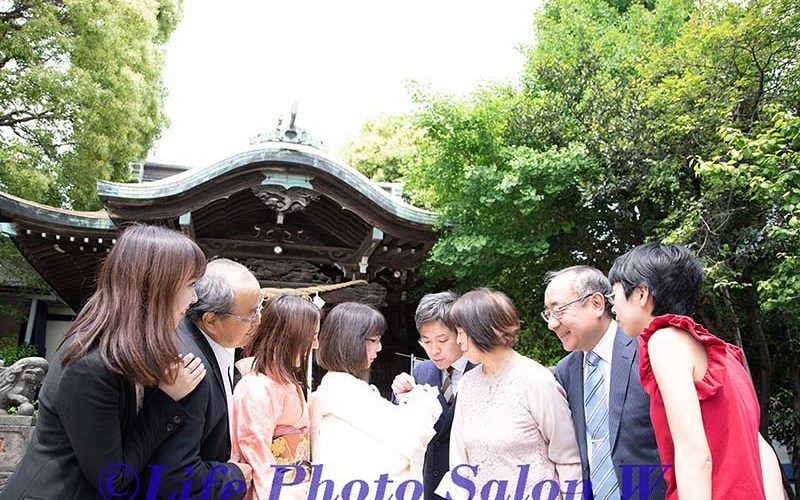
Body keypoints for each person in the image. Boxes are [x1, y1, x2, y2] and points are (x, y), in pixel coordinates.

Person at [1, 224, 207, 500]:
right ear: (157, 288)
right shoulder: (89, 367)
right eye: (190, 285)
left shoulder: (124, 354)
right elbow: (114, 479)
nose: (194, 298)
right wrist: (167, 400)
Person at [608, 243, 784, 500]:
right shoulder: (724, 353)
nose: (613, 309)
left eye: (615, 297)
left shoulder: (664, 340)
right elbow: (761, 448)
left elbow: (694, 452)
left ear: (642, 295)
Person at [436, 288, 582, 500]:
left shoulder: (536, 381)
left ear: (481, 330)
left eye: (461, 332)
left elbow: (568, 457)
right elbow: (459, 460)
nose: (458, 341)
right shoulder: (468, 383)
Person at [544, 266, 666, 500]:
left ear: (598, 303)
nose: (552, 324)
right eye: (547, 314)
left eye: (558, 311)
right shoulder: (565, 371)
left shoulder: (647, 350)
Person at [146, 258, 263, 498]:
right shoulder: (189, 367)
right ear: (211, 320)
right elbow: (175, 475)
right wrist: (234, 477)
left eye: (260, 308)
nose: (258, 321)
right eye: (249, 315)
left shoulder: (216, 343)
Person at [310, 302, 442, 487]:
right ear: (351, 342)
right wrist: (418, 399)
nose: (379, 348)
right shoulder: (348, 393)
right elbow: (410, 437)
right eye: (374, 340)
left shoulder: (333, 389)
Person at [230, 294, 320, 500]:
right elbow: (257, 456)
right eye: (311, 336)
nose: (315, 345)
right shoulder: (255, 387)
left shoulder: (288, 383)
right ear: (291, 338)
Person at [391, 291, 476, 500]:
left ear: (460, 334)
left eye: (442, 340)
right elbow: (405, 426)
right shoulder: (422, 371)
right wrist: (401, 395)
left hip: (470, 484)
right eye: (427, 342)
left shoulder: (482, 370)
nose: (434, 350)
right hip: (429, 485)